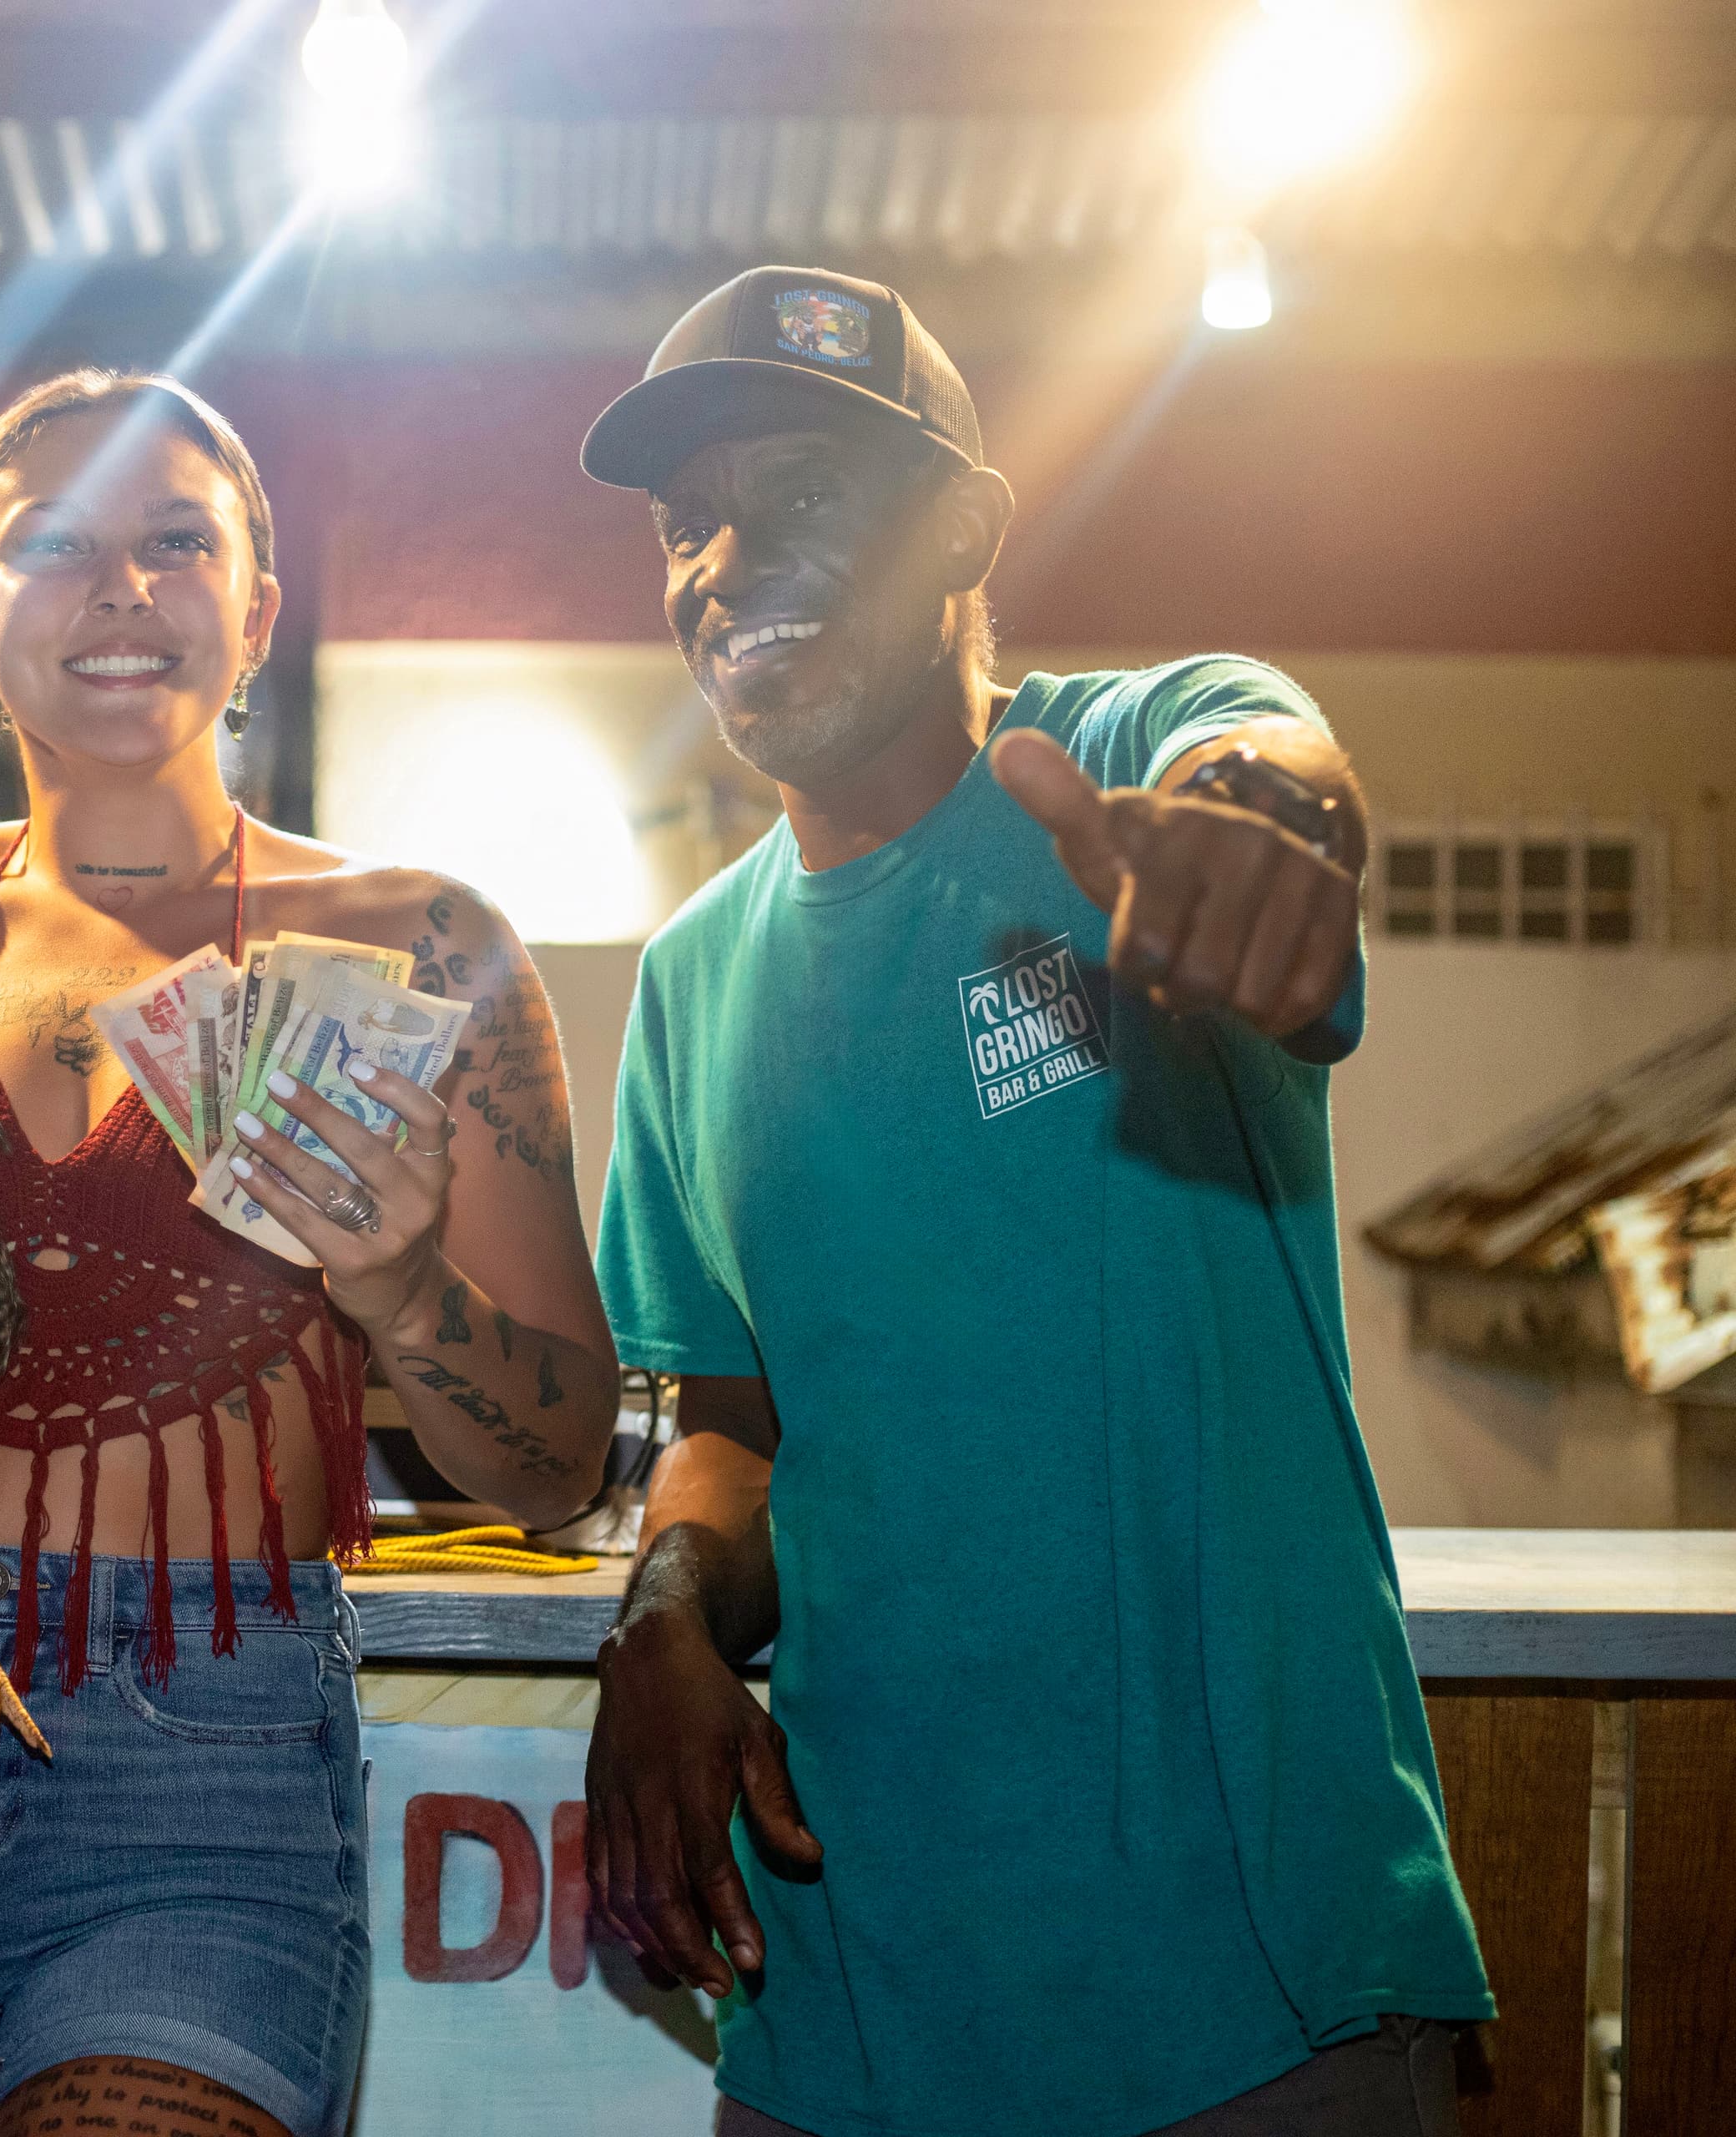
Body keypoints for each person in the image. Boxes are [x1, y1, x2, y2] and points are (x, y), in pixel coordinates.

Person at [0, 369, 622, 2137]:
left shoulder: (428, 945)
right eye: (56, 545)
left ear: (259, 610)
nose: (124, 589)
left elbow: (551, 1464)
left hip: (200, 1768)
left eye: (177, 542)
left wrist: (400, 1294)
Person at [576, 265, 1494, 2137]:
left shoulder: (1133, 760)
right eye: (687, 521)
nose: (728, 561)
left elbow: (1268, 762)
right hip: (854, 1996)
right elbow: (734, 1424)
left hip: (1254, 1982)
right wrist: (664, 1611)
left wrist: (1266, 833)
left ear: (964, 530)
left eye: (805, 490)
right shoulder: (690, 982)